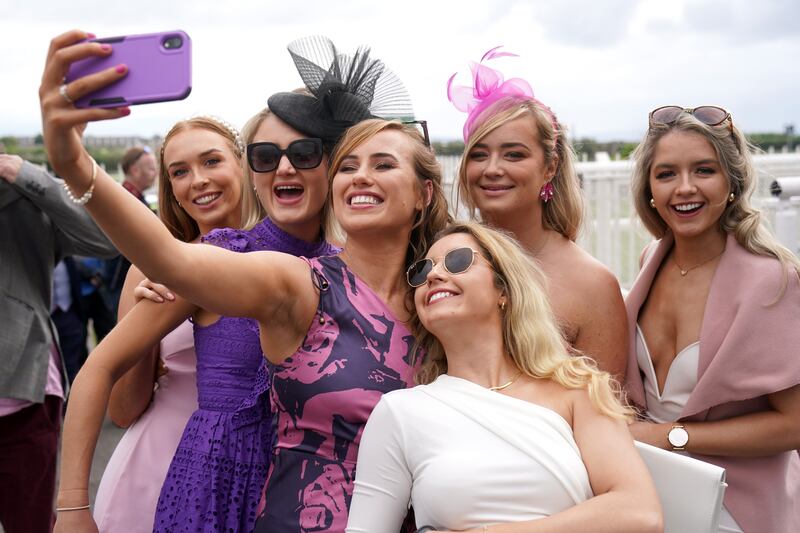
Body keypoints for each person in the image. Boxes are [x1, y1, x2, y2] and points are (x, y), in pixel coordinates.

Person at [41, 31, 447, 533]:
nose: (282, 167)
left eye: (302, 152)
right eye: (263, 156)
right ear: (251, 171)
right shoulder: (226, 255)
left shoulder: (348, 271)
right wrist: (73, 507)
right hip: (216, 488)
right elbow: (99, 367)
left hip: (312, 496)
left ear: (332, 165)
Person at [346, 222, 662, 533]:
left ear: (504, 290)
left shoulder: (578, 390)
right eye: (421, 271)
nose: (433, 275)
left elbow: (639, 512)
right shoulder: (399, 412)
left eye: (458, 261)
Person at [625, 105, 800, 533]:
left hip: (736, 508)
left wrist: (673, 436)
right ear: (649, 187)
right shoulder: (652, 259)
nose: (684, 188)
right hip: (653, 492)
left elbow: (796, 424)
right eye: (666, 174)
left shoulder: (772, 280)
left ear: (732, 182)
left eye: (704, 170)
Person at [449, 48, 627, 379]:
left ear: (550, 167)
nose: (492, 169)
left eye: (513, 155)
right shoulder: (441, 259)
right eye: (478, 155)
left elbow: (607, 411)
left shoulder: (594, 285)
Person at [0, 153, 117, 533]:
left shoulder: (19, 196)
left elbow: (105, 237)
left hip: (22, 395)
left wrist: (27, 175)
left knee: (30, 522)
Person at [101, 145, 158, 315]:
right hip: (119, 285)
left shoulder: (130, 198)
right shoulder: (124, 201)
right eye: (151, 169)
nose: (155, 174)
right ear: (134, 170)